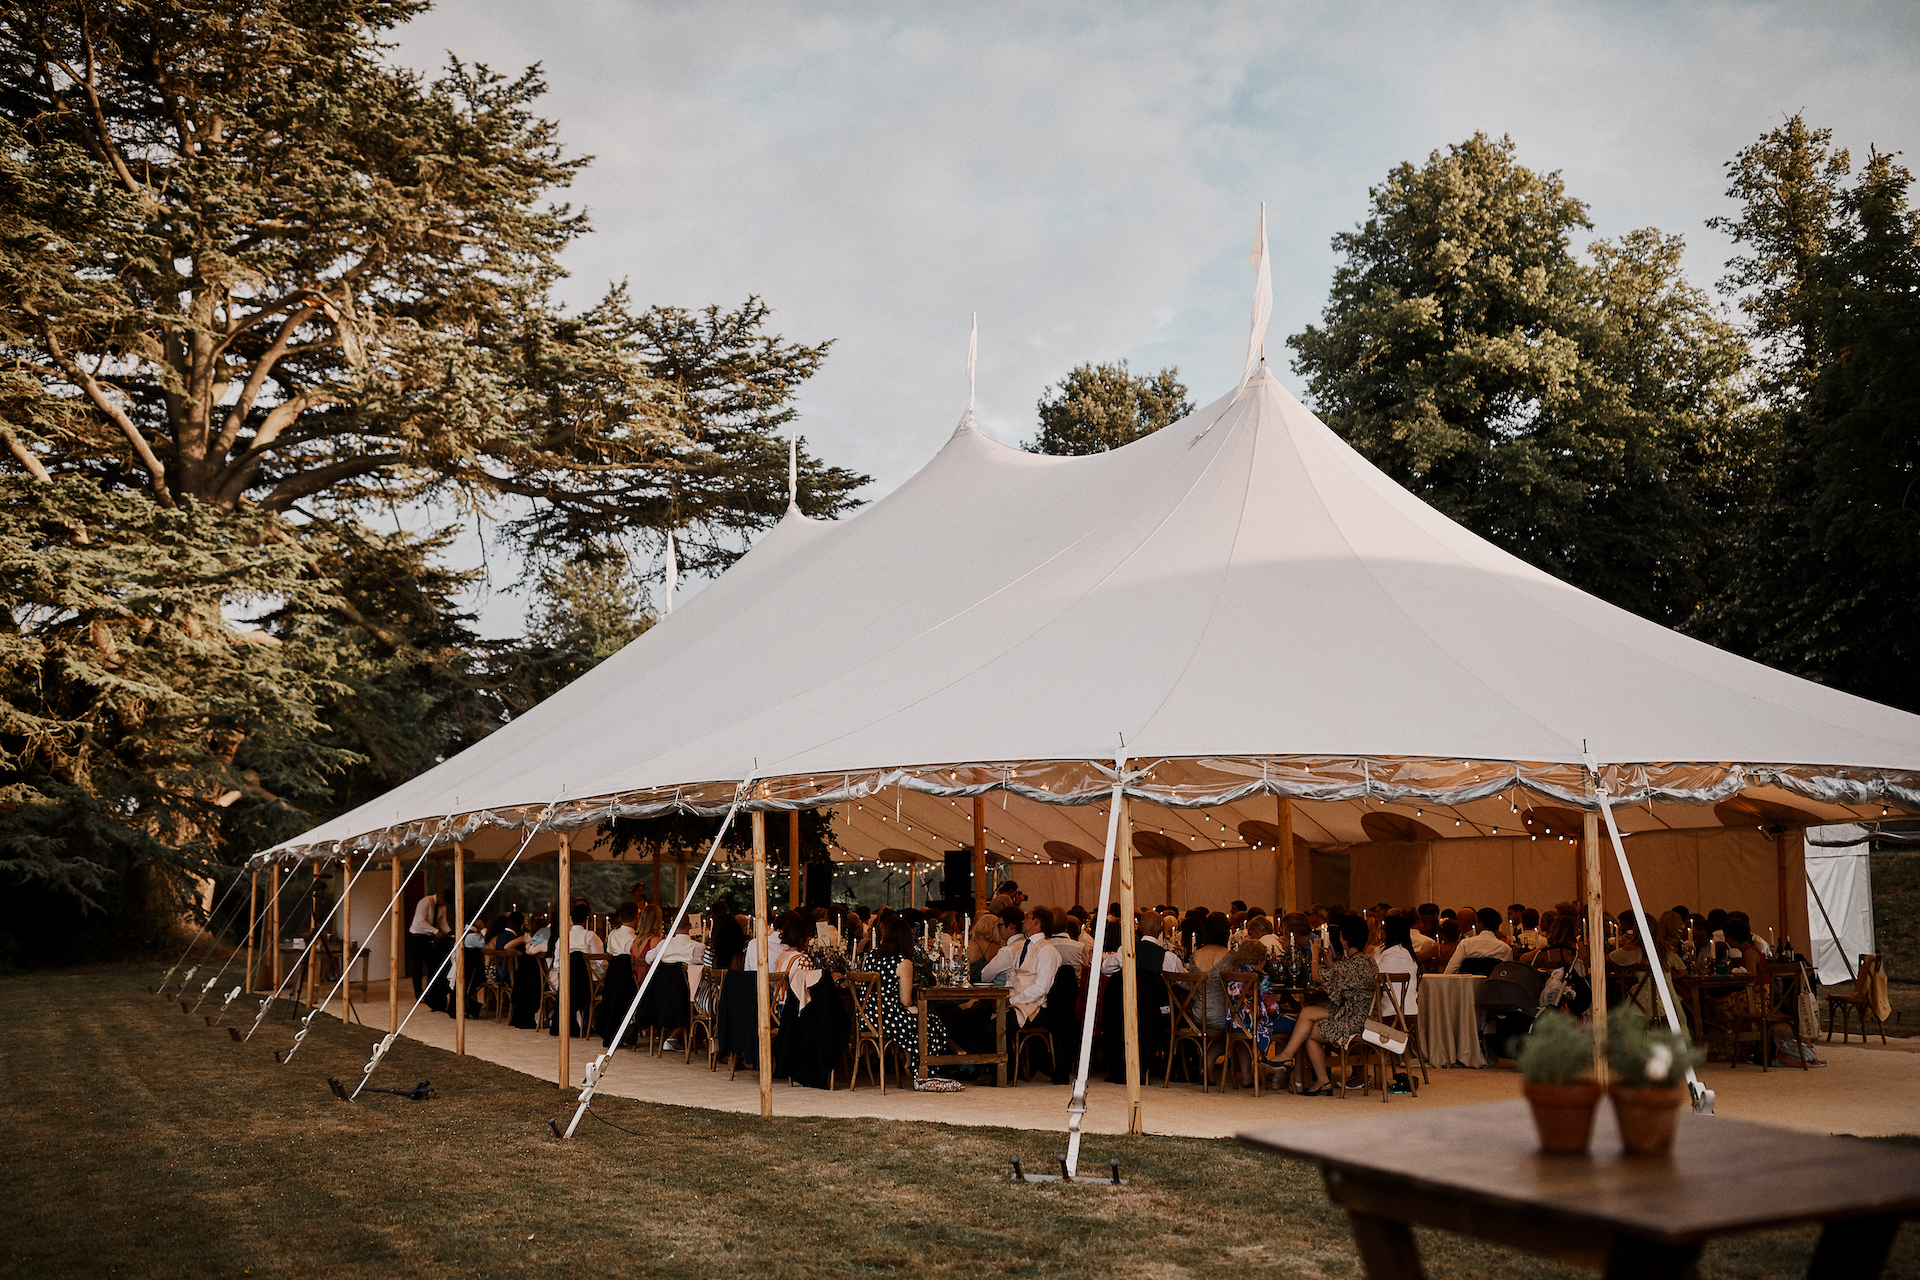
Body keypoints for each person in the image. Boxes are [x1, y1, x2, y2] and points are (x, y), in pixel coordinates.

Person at [1272, 913, 1377, 1096]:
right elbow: (1345, 978)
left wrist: (1315, 956)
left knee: (1310, 1032)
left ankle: (1317, 1077)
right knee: (1307, 1013)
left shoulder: (1351, 965)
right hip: (1360, 1012)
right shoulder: (1367, 961)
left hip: (1354, 1019)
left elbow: (1316, 976)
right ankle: (1290, 1059)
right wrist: (1331, 964)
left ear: (1344, 939)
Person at [870, 915, 963, 1091]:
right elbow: (905, 1000)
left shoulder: (872, 956)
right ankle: (923, 1070)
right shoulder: (903, 962)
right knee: (931, 1021)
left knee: (921, 1018)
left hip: (869, 1015)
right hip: (889, 1016)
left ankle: (912, 1060)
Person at [639, 915, 700, 1050]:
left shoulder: (664, 944)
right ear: (690, 927)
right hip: (686, 997)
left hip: (661, 995)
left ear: (674, 927)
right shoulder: (697, 947)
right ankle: (687, 1037)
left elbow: (648, 959)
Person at [595, 903, 640, 1048]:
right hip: (626, 972)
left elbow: (609, 949)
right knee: (622, 1002)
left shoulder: (613, 934)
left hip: (613, 970)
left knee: (612, 1002)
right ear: (636, 918)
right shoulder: (633, 938)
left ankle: (612, 1033)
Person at [408, 889, 451, 1008]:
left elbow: (443, 922)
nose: (444, 905)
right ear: (440, 896)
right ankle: (418, 994)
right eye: (444, 902)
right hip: (417, 936)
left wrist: (449, 933)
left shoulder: (442, 907)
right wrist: (436, 931)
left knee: (432, 965)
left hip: (429, 937)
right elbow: (420, 921)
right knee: (417, 966)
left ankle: (430, 992)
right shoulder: (425, 902)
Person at [1373, 914, 1420, 1020]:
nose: (1381, 931)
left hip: (1396, 1011)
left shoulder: (1398, 953)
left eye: (1383, 928)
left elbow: (1374, 977)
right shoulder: (1383, 949)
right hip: (1387, 1008)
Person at [1444, 908, 1513, 973]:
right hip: (1492, 985)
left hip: (1468, 985)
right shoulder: (1505, 949)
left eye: (1476, 922)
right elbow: (1507, 974)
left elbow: (1451, 970)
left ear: (1481, 924)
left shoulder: (1465, 944)